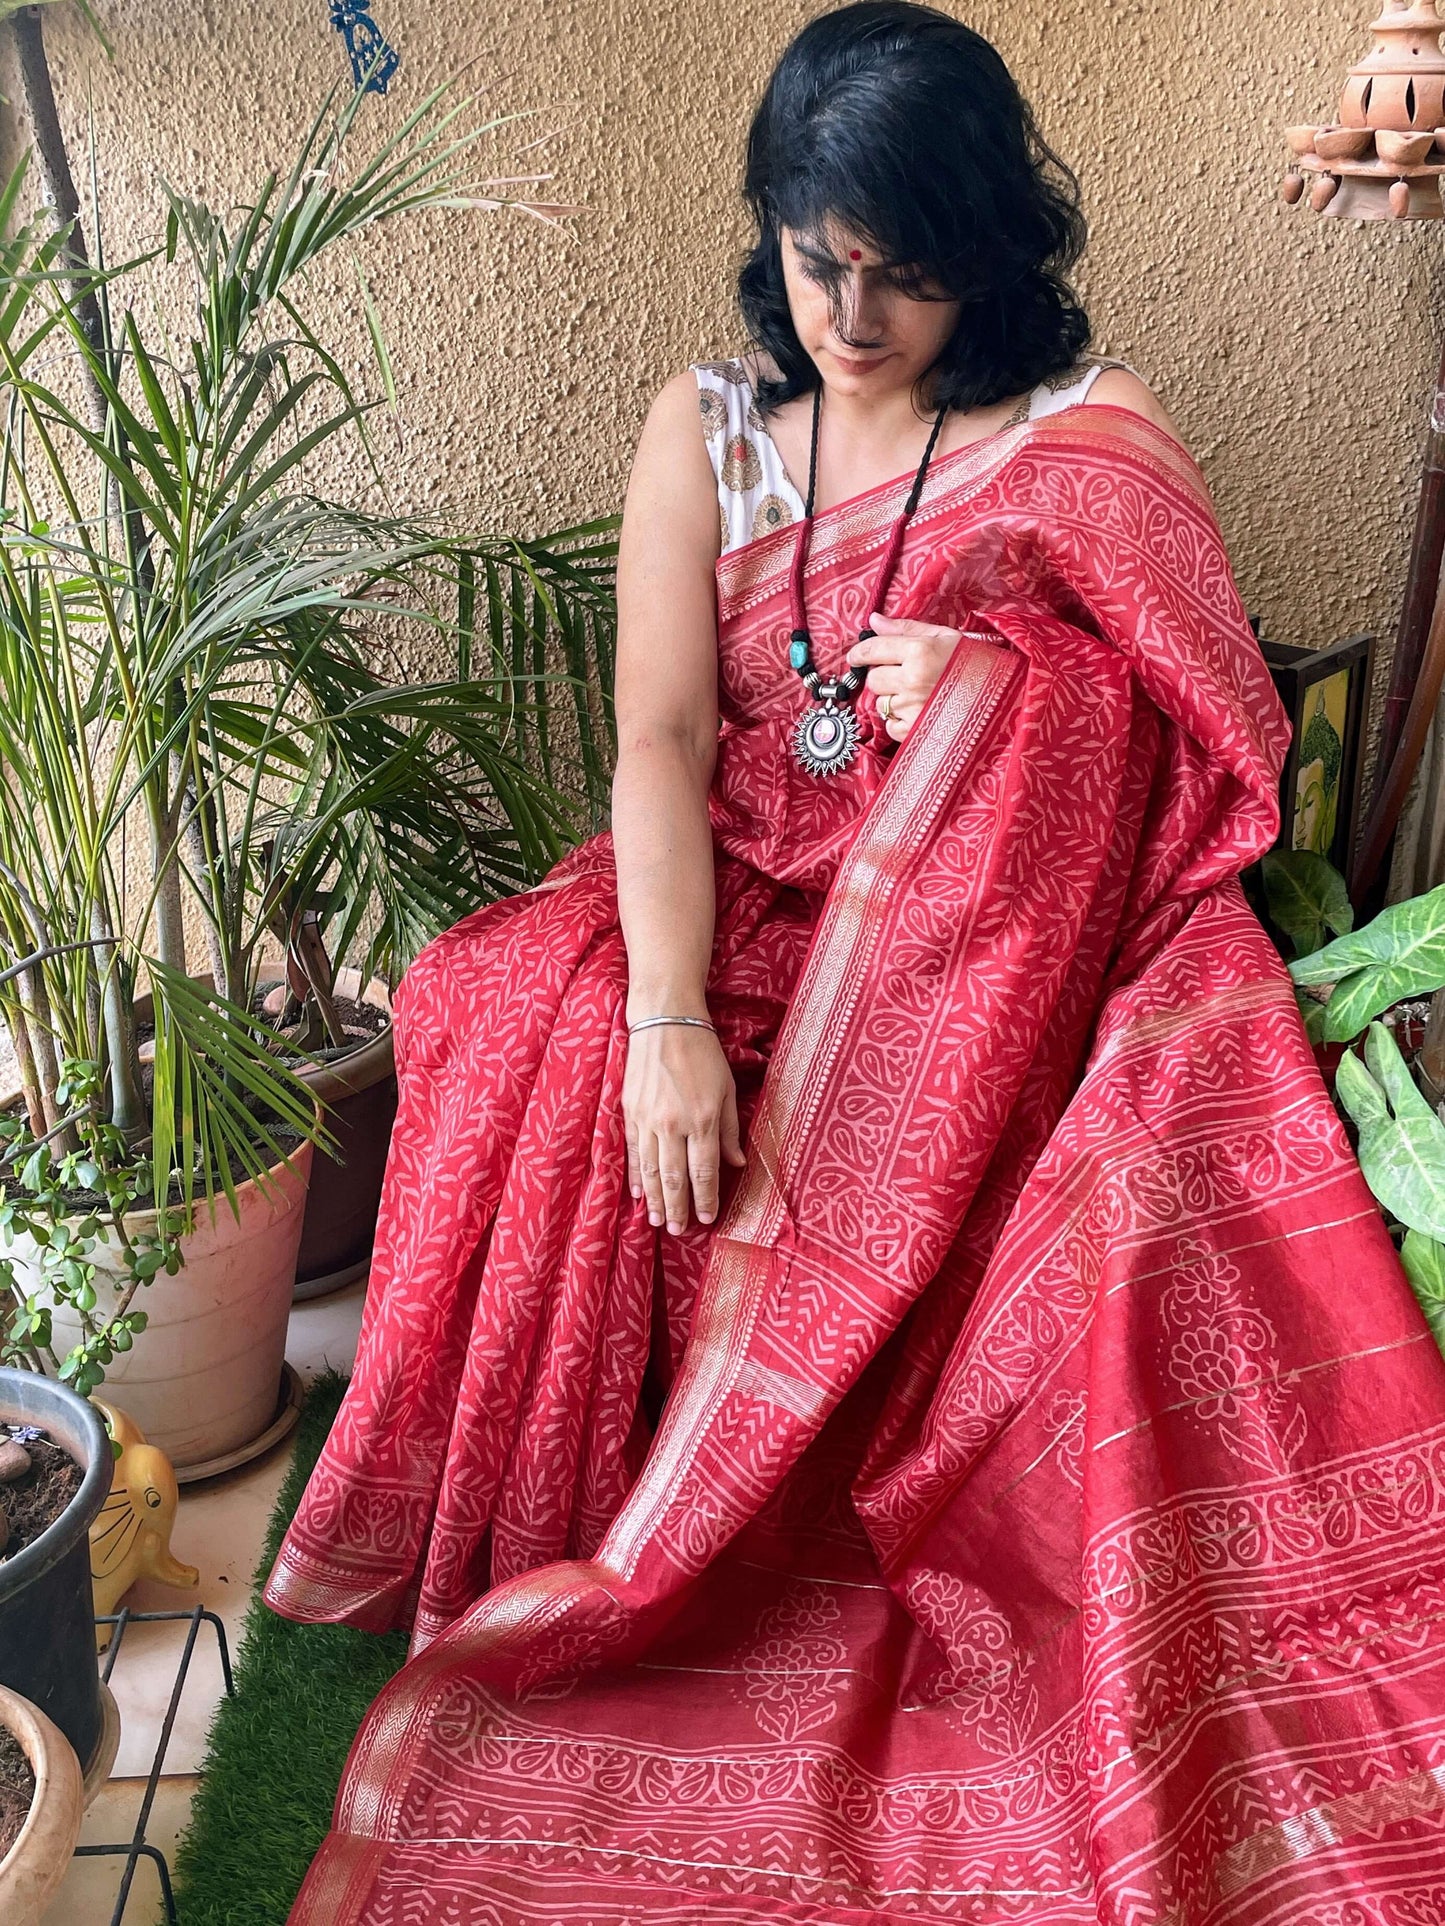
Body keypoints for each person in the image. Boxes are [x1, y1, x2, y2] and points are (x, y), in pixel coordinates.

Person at [269, 8, 1445, 1922]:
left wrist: (1004, 695)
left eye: (902, 271)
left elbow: (1203, 730)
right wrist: (666, 1023)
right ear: (775, 231)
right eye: (820, 258)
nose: (852, 311)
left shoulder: (1081, 439)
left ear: (989, 247)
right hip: (734, 882)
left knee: (1154, 1130)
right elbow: (655, 736)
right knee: (511, 1013)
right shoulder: (712, 428)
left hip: (988, 942)